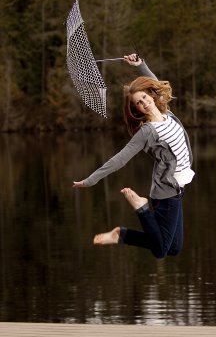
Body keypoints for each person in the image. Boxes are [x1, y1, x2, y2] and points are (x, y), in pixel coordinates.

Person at [73, 54, 195, 259]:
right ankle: (142, 208)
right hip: (165, 193)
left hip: (178, 190)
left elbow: (155, 83)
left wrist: (140, 65)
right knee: (160, 251)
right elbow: (120, 158)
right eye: (138, 103)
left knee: (173, 248)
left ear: (152, 96)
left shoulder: (167, 113)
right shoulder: (147, 132)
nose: (144, 103)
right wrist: (90, 180)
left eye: (145, 98)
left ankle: (122, 235)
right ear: (136, 109)